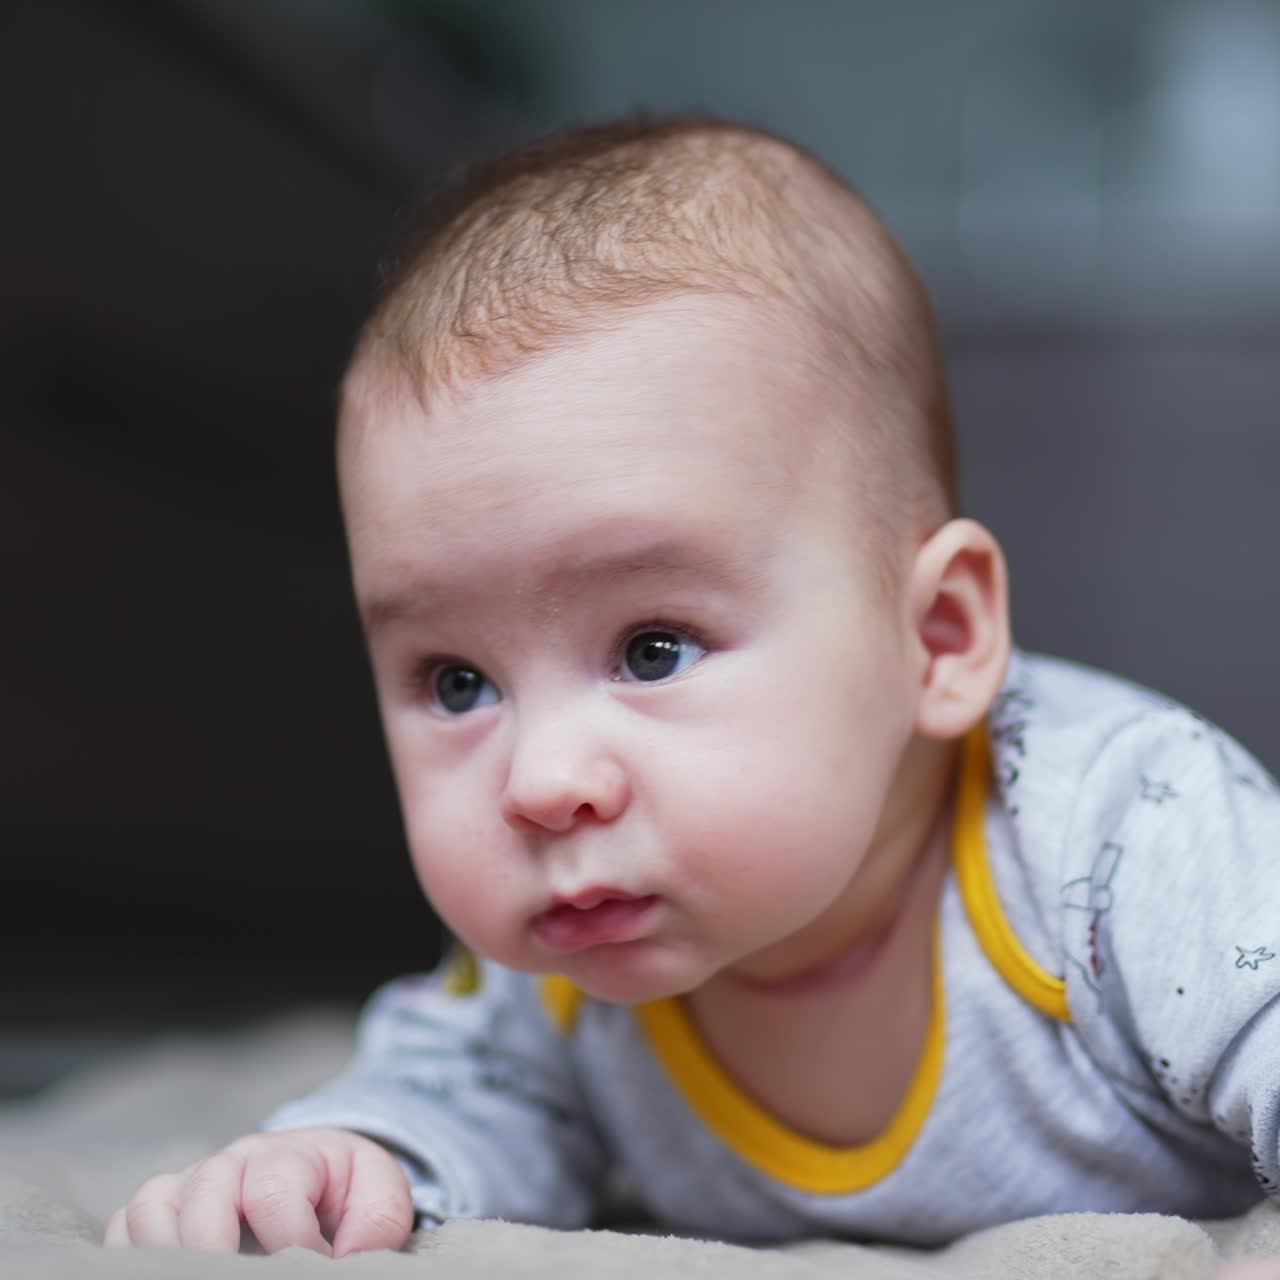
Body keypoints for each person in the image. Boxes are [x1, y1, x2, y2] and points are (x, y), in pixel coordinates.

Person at [105, 115, 1280, 1263]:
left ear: (935, 634)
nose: (541, 780)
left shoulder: (1119, 836)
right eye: (457, 681)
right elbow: (463, 1094)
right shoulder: (560, 963)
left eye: (652, 648)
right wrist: (342, 1156)